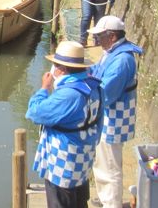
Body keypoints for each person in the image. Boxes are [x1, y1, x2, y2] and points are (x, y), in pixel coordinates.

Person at [26, 41, 103, 208]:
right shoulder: (95, 87)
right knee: (79, 200)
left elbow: (34, 112)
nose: (53, 68)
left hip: (63, 163)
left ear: (62, 68)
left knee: (60, 202)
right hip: (84, 158)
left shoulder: (68, 95)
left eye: (55, 64)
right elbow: (99, 122)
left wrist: (44, 89)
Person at [87, 16, 143, 208]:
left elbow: (106, 92)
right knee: (102, 163)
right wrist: (83, 72)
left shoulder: (122, 61)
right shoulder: (111, 52)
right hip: (107, 118)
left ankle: (112, 204)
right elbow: (97, 70)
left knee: (110, 167)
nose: (96, 40)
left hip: (113, 120)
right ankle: (106, 200)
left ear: (111, 36)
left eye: (99, 36)